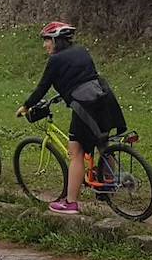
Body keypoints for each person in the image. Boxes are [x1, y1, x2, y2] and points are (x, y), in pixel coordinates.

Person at [16, 22, 127, 215]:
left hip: (84, 106)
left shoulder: (55, 61)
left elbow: (42, 88)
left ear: (56, 41)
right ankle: (107, 185)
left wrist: (26, 106)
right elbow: (82, 77)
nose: (45, 46)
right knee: (103, 142)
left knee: (75, 152)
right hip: (103, 98)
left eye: (47, 41)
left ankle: (70, 203)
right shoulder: (81, 51)